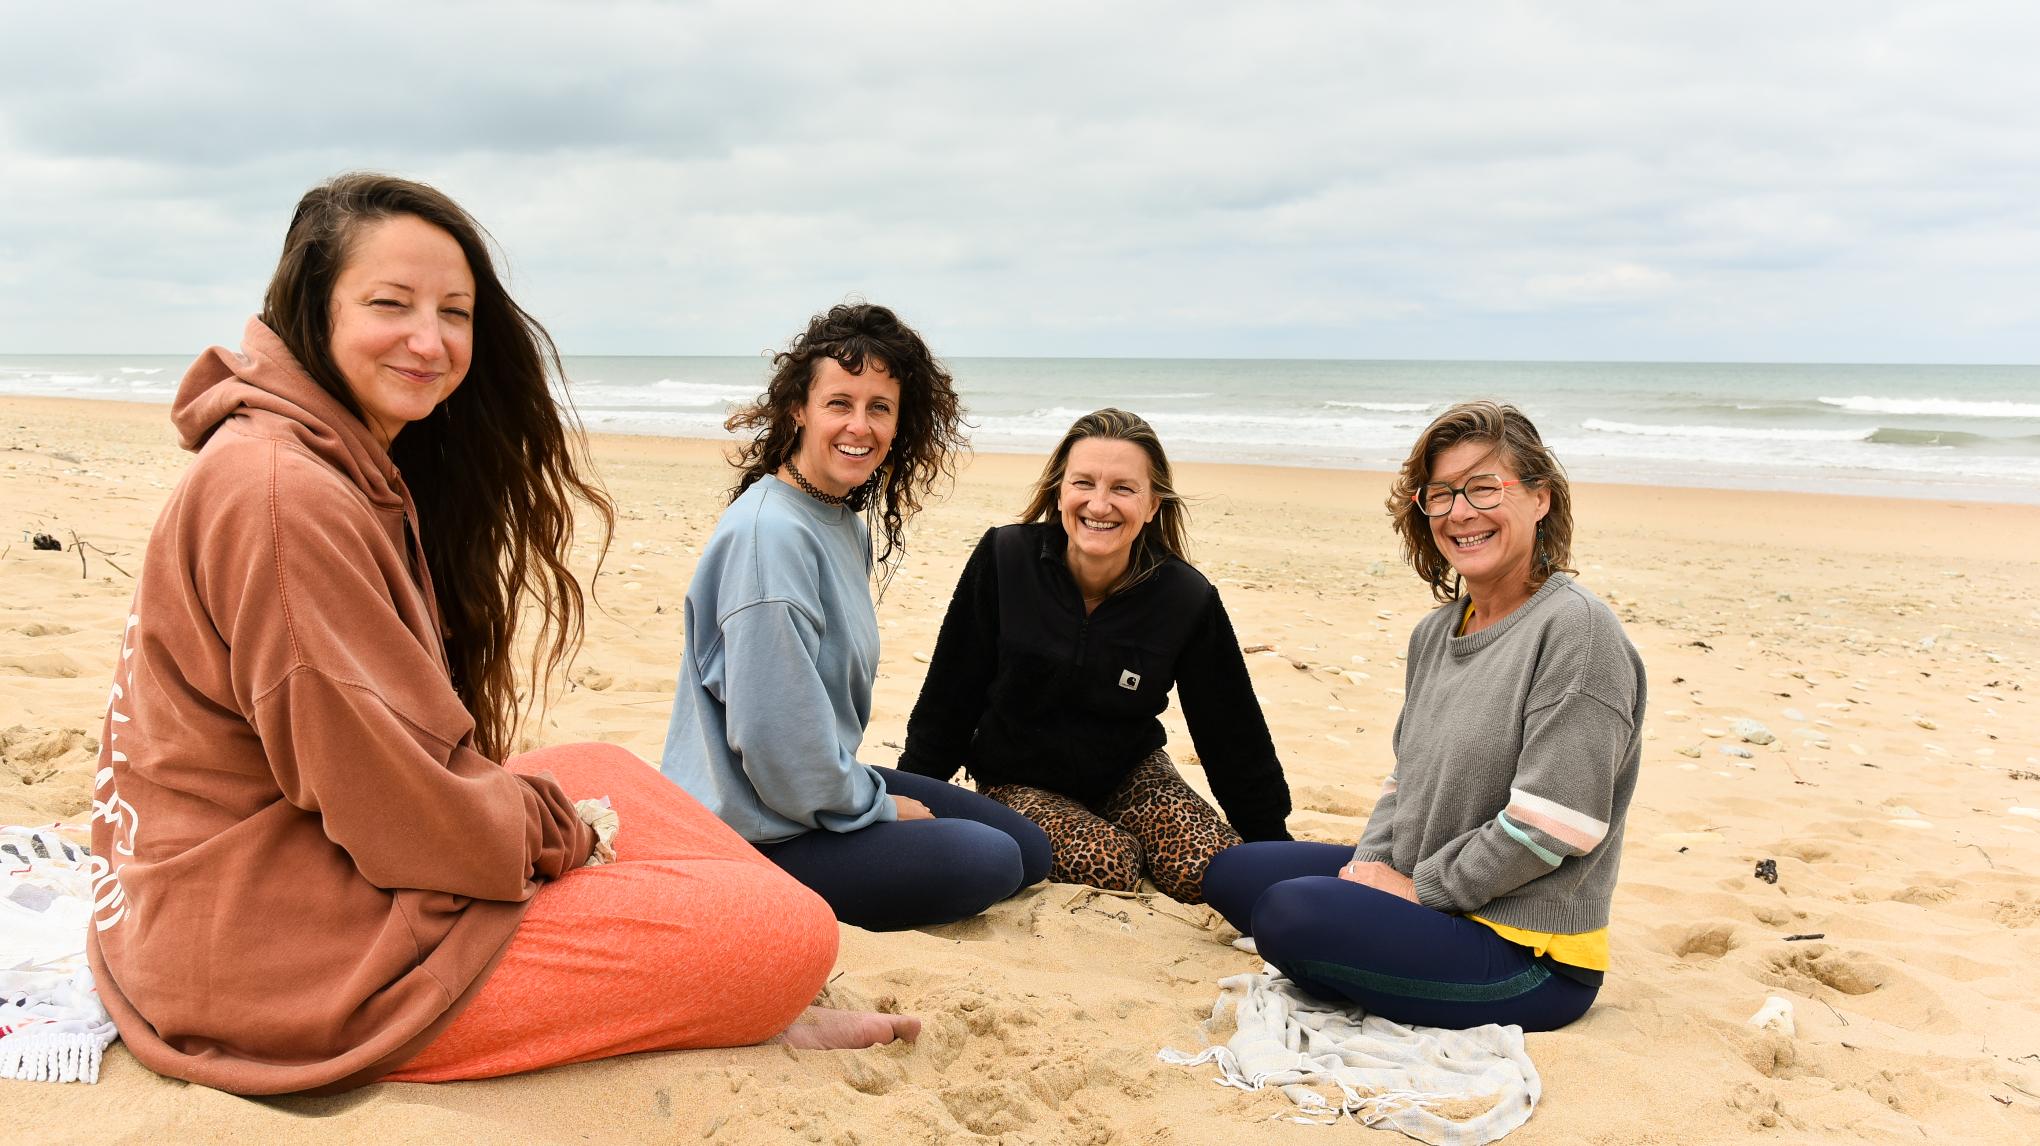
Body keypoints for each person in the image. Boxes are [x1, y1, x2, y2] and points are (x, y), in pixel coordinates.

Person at [85, 174, 913, 1097]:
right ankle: (748, 985)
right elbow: (401, 817)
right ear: (313, 309)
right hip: (271, 961)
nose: (430, 341)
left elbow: (382, 773)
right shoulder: (286, 497)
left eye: (455, 312)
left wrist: (556, 823)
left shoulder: (324, 461)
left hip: (247, 884)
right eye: (389, 305)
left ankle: (736, 981)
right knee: (789, 937)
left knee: (601, 767)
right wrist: (560, 840)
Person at [1203, 401, 1645, 1031]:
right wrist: (1370, 869)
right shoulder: (1437, 633)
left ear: (1541, 499)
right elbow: (1404, 782)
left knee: (1287, 915)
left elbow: (1557, 826)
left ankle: (1380, 937)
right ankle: (1377, 930)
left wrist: (1417, 893)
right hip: (1428, 890)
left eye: (1484, 488)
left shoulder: (1578, 631)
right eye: (1440, 495)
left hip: (1528, 953)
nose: (1460, 512)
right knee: (1233, 872)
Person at [659, 303, 1050, 932]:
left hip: (811, 793)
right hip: (756, 832)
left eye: (879, 407)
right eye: (839, 402)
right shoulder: (771, 538)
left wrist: (862, 796)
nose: (859, 426)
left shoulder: (838, 519)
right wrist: (876, 807)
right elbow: (774, 744)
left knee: (1029, 848)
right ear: (799, 410)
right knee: (993, 860)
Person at [898, 408, 1292, 905]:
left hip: (1130, 773)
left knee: (1212, 872)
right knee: (1109, 863)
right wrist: (913, 791)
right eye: (1083, 482)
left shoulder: (1184, 597)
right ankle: (1107, 836)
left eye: (1124, 489)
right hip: (1018, 781)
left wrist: (1270, 840)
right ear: (1060, 491)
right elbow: (950, 693)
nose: (1099, 504)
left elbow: (1230, 729)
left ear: (1152, 505)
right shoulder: (1005, 557)